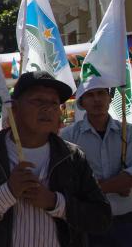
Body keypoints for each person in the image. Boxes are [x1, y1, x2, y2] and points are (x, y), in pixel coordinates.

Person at [0, 70, 112, 246]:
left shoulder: (73, 157)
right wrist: (7, 192)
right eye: (38, 101)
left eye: (54, 103)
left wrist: (55, 202)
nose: (48, 108)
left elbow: (101, 217)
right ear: (14, 109)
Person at [59, 82, 132, 246]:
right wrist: (116, 184)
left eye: (101, 93)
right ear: (81, 102)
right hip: (88, 222)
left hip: (126, 221)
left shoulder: (129, 132)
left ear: (110, 97)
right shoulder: (67, 136)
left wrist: (93, 188)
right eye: (90, 95)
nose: (97, 99)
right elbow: (68, 182)